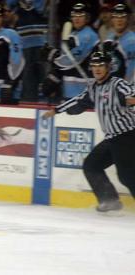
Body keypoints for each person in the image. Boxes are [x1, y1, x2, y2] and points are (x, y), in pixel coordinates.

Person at [43, 51, 135, 213]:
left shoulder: (117, 84)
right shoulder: (93, 88)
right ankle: (110, 201)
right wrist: (57, 110)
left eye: (100, 65)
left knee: (126, 176)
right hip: (112, 138)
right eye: (94, 66)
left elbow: (131, 94)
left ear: (108, 67)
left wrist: (130, 100)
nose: (97, 69)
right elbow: (78, 100)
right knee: (91, 165)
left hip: (128, 136)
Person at [42, 2, 99, 100]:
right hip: (70, 92)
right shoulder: (73, 34)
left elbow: (70, 61)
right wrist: (54, 76)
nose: (77, 18)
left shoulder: (89, 35)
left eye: (81, 15)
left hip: (85, 94)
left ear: (87, 18)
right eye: (74, 15)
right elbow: (64, 60)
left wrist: (52, 56)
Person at [9, 0, 48, 102]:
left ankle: (45, 101)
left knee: (44, 78)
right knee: (27, 79)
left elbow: (41, 8)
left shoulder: (41, 4)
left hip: (42, 44)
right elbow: (9, 13)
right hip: (24, 45)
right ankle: (28, 102)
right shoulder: (15, 6)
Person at [102, 3, 135, 84]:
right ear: (112, 19)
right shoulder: (108, 38)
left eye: (123, 17)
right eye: (116, 17)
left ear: (128, 19)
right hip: (110, 90)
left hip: (128, 89)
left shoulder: (133, 40)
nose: (119, 20)